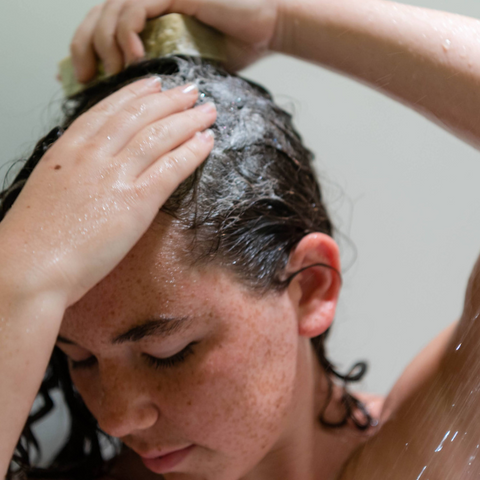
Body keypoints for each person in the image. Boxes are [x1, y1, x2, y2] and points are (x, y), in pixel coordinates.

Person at [1, 1, 480, 480]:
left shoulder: (431, 451)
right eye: (79, 359)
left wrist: (284, 20)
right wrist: (19, 279)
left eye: (168, 354)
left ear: (311, 287)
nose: (116, 418)